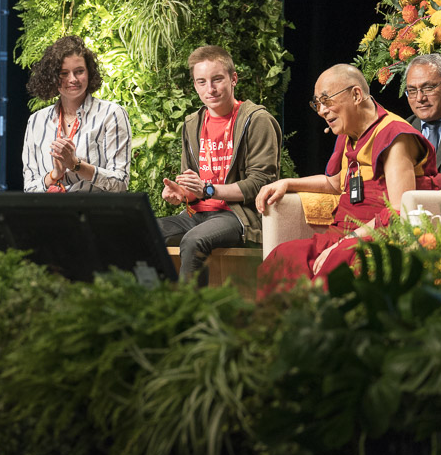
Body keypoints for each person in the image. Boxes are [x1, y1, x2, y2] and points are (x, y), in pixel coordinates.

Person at [256, 64, 437, 296]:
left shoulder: (395, 136)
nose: (321, 111)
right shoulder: (349, 133)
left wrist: (347, 242)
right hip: (340, 234)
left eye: (326, 100)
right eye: (317, 104)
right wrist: (287, 183)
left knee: (334, 270)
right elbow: (334, 184)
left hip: (375, 238)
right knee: (283, 258)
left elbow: (399, 210)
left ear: (356, 95)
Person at [157, 45, 280, 281]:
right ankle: (150, 306)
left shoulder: (257, 120)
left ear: (233, 79)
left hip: (238, 214)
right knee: (143, 232)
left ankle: (190, 316)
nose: (210, 89)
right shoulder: (192, 123)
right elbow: (193, 189)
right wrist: (181, 193)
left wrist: (209, 190)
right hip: (196, 213)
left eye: (217, 79)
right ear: (195, 85)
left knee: (193, 240)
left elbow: (261, 183)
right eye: (201, 82)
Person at [22, 35, 132, 193]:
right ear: (52, 77)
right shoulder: (36, 121)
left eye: (79, 71)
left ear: (89, 72)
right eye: (64, 73)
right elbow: (30, 188)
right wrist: (54, 175)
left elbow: (120, 183)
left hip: (95, 214)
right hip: (49, 214)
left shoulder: (111, 114)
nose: (72, 79)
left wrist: (76, 165)